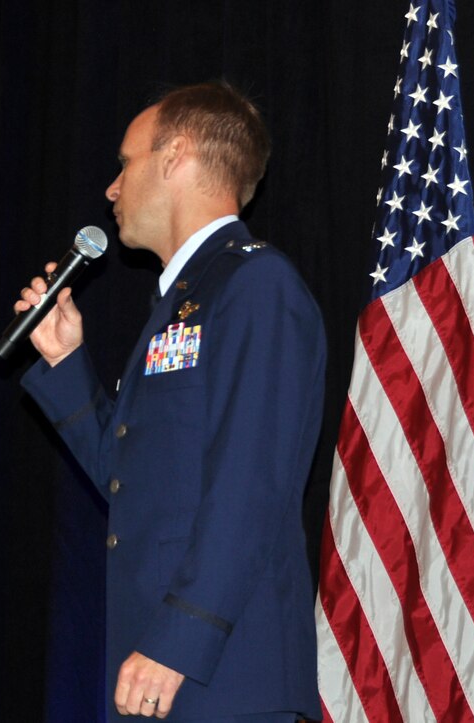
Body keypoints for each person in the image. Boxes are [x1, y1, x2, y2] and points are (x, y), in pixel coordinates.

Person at [16, 82, 325, 721]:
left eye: (125, 163)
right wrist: (66, 363)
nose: (111, 188)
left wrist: (178, 641)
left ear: (176, 155)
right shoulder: (183, 301)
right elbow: (133, 480)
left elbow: (251, 484)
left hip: (221, 676)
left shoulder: (254, 282)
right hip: (160, 671)